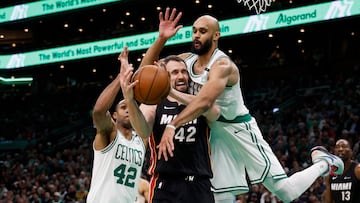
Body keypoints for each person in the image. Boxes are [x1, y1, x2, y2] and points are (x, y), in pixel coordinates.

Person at [141, 7, 345, 203]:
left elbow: (204, 102)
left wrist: (172, 124)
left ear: (216, 35)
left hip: (237, 129)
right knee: (217, 194)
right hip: (211, 131)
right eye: (194, 31)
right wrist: (161, 39)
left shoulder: (222, 66)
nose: (196, 35)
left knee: (286, 192)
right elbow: (144, 73)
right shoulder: (185, 61)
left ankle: (324, 163)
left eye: (203, 31)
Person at [120, 51, 220, 202]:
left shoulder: (199, 100)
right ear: (164, 76)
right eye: (174, 72)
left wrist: (170, 91)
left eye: (184, 72)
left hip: (199, 184)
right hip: (165, 185)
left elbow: (214, 111)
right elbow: (142, 130)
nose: (181, 76)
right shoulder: (153, 104)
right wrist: (129, 100)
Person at [86, 47, 149, 203]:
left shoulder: (141, 138)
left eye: (130, 106)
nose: (128, 110)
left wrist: (130, 98)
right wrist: (121, 78)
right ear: (114, 116)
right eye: (123, 107)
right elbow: (99, 111)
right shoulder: (110, 134)